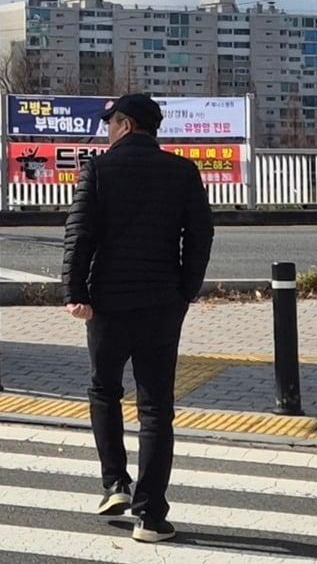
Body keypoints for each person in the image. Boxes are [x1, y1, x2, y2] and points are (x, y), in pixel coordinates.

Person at [62, 93, 214, 543]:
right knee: (156, 409)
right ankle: (149, 515)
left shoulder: (99, 171)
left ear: (126, 125)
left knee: (104, 391)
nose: (107, 130)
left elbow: (79, 235)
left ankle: (114, 484)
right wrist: (184, 291)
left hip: (106, 306)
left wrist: (75, 293)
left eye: (111, 122)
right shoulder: (183, 171)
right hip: (161, 306)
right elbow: (200, 236)